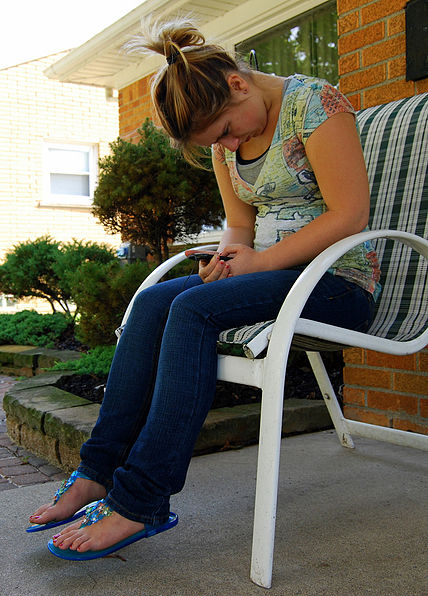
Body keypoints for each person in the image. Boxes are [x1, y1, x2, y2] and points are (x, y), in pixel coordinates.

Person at [28, 18, 380, 560]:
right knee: (151, 303)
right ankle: (97, 472)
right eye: (218, 140)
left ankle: (141, 501)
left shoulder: (315, 105)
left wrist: (260, 261)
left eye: (226, 132)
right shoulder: (226, 138)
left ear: (238, 84)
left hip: (338, 282)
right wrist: (228, 259)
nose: (229, 144)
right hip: (273, 275)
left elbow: (350, 213)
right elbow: (239, 226)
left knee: (191, 311)